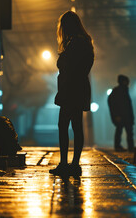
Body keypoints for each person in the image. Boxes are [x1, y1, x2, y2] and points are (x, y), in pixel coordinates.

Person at [49, 11, 94, 176]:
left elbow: (68, 66)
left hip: (71, 89)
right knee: (76, 126)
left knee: (64, 125)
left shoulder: (75, 43)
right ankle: (74, 164)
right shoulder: (84, 42)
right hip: (78, 87)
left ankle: (66, 163)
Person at [108, 75, 135, 152]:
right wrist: (116, 115)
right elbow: (113, 104)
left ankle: (127, 147)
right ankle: (123, 147)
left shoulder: (122, 90)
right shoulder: (119, 91)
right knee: (123, 131)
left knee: (124, 131)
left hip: (125, 116)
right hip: (123, 116)